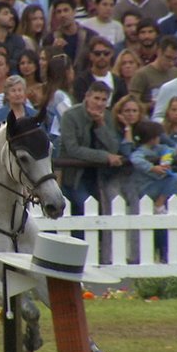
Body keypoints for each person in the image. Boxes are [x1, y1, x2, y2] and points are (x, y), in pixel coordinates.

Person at [58, 81, 123, 238]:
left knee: (103, 211)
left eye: (103, 100)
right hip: (74, 176)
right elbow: (73, 149)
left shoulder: (107, 117)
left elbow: (114, 148)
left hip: (100, 176)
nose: (100, 103)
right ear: (87, 97)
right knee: (85, 207)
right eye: (96, 98)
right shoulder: (71, 116)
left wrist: (100, 125)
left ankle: (96, 249)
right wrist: (105, 157)